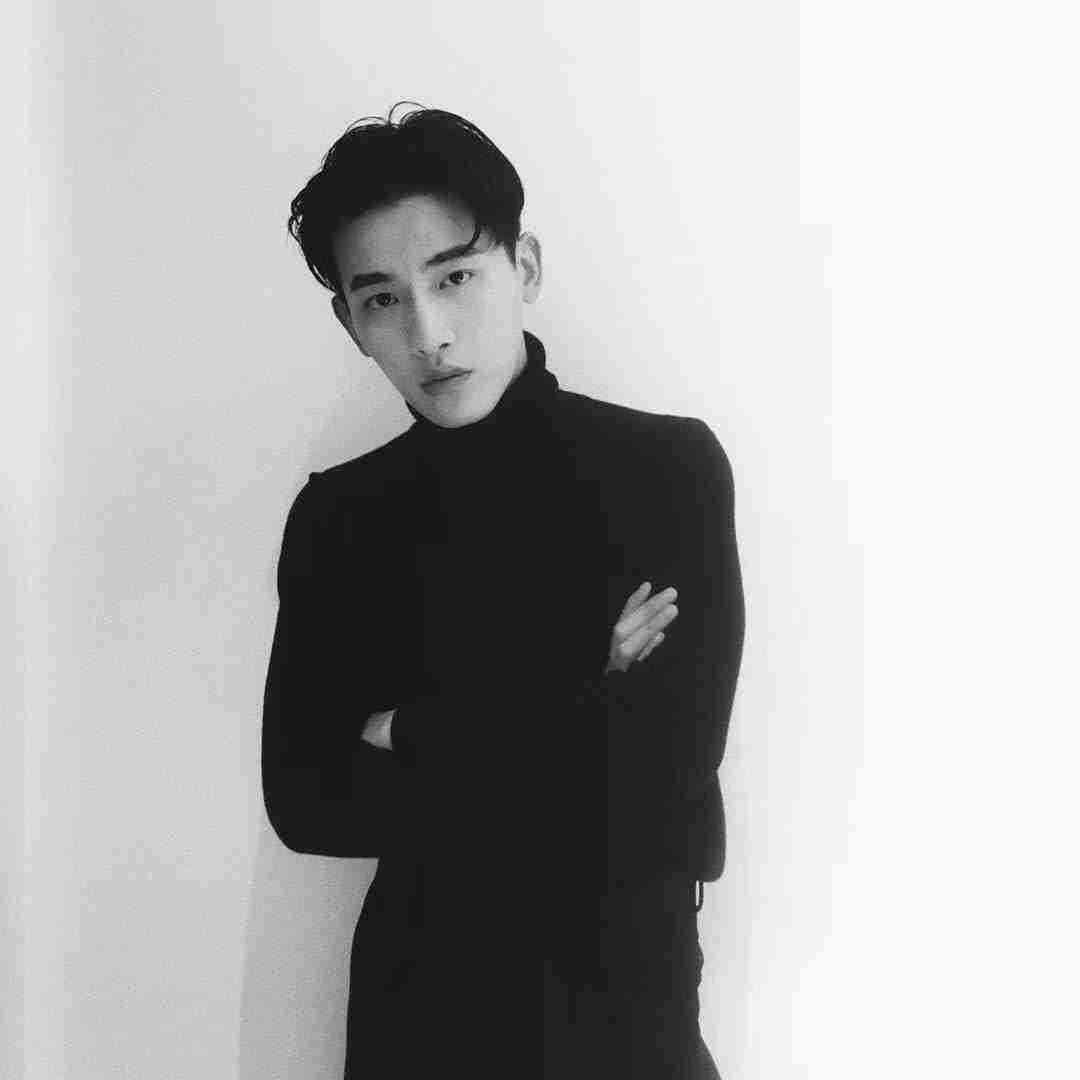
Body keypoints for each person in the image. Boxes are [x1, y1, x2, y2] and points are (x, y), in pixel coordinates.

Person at [261, 103, 744, 1079]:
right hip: (421, 1012)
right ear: (350, 323)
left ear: (523, 266)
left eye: (455, 276)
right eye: (382, 298)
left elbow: (661, 784)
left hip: (627, 1012)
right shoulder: (341, 518)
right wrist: (586, 683)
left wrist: (408, 728)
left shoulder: (665, 470)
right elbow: (309, 802)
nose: (428, 332)